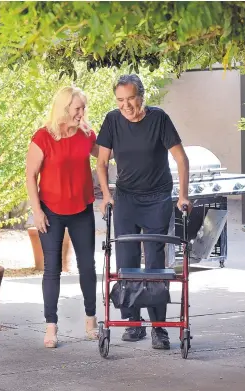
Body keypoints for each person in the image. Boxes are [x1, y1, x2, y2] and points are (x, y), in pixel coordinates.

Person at [96, 74, 191, 350]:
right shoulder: (113, 120)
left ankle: (159, 329)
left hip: (157, 199)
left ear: (142, 96)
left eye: (130, 99)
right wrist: (107, 195)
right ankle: (133, 322)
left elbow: (181, 159)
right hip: (126, 199)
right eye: (120, 100)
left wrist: (182, 195)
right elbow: (102, 163)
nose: (126, 105)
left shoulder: (159, 119)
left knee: (154, 265)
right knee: (125, 260)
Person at [26, 86, 100, 348]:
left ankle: (91, 320)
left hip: (81, 209)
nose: (82, 113)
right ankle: (51, 326)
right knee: (52, 269)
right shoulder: (43, 137)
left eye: (83, 108)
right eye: (77, 108)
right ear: (64, 108)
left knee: (88, 266)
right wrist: (37, 211)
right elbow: (30, 176)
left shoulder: (87, 135)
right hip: (51, 212)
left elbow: (105, 155)